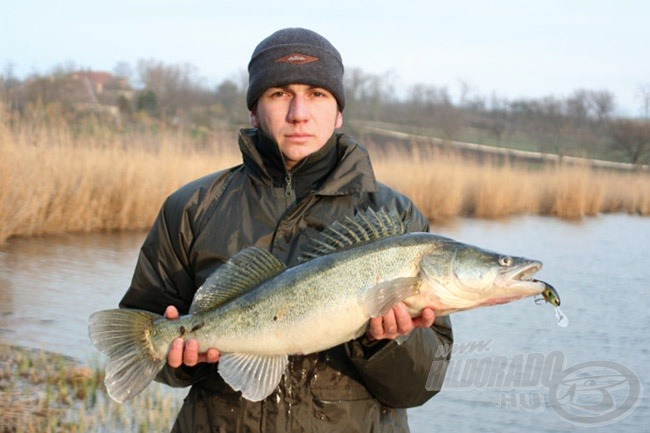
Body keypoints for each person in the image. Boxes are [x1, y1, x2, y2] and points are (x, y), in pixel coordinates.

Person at [119, 27, 453, 433]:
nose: (299, 113)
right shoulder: (191, 207)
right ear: (254, 109)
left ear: (339, 110)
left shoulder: (396, 219)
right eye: (279, 94)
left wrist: (386, 344)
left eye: (317, 94)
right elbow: (148, 339)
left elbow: (422, 384)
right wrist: (182, 362)